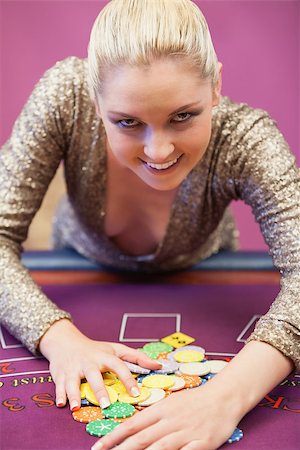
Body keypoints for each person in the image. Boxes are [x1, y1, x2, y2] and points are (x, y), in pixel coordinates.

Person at [0, 0, 299, 448]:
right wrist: (57, 338)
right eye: (128, 122)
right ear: (95, 99)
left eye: (183, 116)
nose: (158, 152)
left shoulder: (246, 138)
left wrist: (225, 396)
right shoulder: (65, 94)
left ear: (216, 86)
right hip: (78, 263)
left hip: (205, 275)